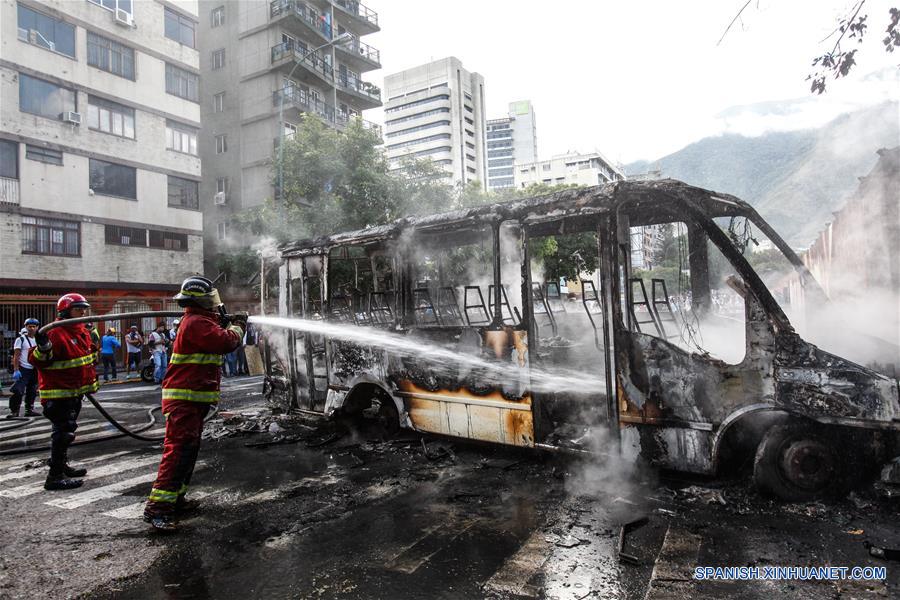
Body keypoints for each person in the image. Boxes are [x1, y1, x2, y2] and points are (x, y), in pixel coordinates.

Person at [143, 276, 245, 531]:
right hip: (184, 400)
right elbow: (226, 343)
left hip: (190, 399)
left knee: (187, 452)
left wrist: (223, 323)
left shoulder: (199, 321)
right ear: (204, 300)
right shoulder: (197, 322)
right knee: (177, 452)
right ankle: (158, 509)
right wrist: (238, 327)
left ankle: (176, 499)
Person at [30, 293, 98, 490]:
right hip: (59, 394)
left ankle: (62, 465)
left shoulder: (80, 330)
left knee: (67, 431)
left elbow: (86, 358)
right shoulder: (55, 332)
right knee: (63, 433)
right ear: (66, 311)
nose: (83, 312)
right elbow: (39, 361)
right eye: (78, 309)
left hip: (74, 392)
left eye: (84, 309)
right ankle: (54, 477)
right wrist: (43, 347)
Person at [8, 319, 40, 418]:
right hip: (24, 369)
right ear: (26, 327)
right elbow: (16, 355)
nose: (32, 328)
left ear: (37, 327)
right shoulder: (20, 339)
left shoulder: (38, 339)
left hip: (34, 368)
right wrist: (16, 369)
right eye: (29, 326)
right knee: (18, 390)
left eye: (34, 326)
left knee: (32, 390)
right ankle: (14, 411)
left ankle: (29, 409)